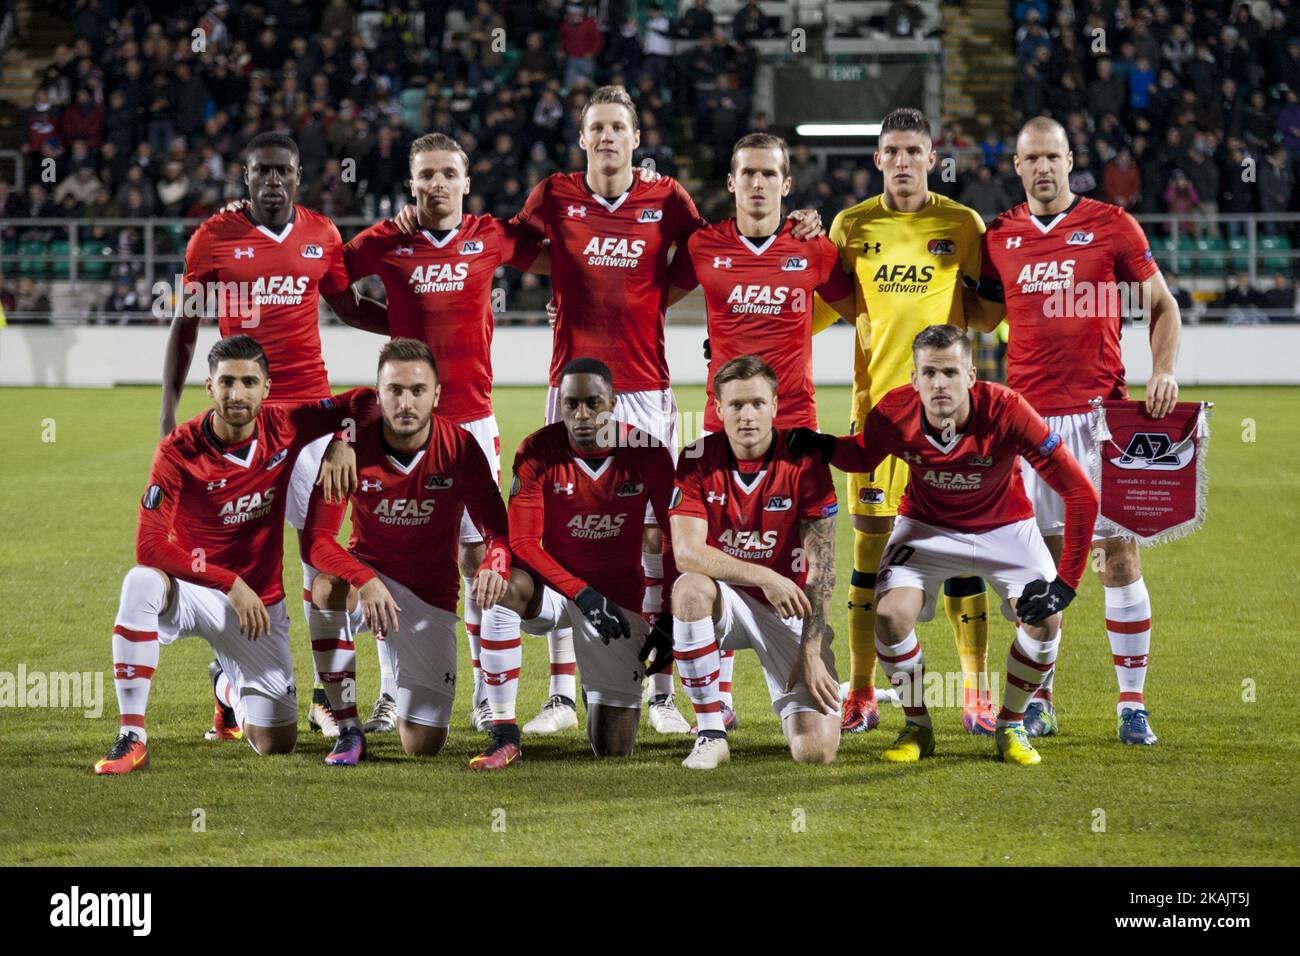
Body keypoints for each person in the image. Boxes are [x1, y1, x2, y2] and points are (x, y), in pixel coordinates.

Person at [402, 85, 822, 736]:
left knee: (658, 537)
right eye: (596, 128)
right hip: (570, 388)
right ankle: (562, 694)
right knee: (567, 532)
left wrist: (803, 224)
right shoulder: (552, 195)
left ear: (635, 139)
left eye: (617, 128)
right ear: (582, 138)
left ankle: (659, 691)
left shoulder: (667, 198)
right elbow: (507, 247)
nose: (606, 137)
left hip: (647, 390)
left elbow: (709, 248)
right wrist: (565, 280)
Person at [788, 324, 1098, 764]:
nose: (939, 384)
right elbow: (861, 454)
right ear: (913, 379)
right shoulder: (894, 412)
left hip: (1005, 528)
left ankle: (1010, 726)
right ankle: (918, 728)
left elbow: (1081, 493)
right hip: (926, 526)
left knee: (1048, 620)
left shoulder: (1008, 409)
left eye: (950, 372)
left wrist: (1066, 584)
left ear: (971, 374)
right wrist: (824, 446)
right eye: (929, 373)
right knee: (890, 616)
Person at [164, 132, 388, 740]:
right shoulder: (213, 237)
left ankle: (324, 697)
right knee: (243, 560)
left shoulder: (323, 234)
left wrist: (415, 328)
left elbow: (348, 306)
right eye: (261, 170)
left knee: (326, 557)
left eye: (282, 171)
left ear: (298, 176)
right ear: (244, 174)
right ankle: (231, 680)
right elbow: (186, 327)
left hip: (314, 420)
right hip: (245, 424)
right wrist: (169, 415)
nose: (272, 180)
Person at [971, 116, 1183, 745]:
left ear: (1070, 161)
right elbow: (973, 313)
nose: (1042, 169)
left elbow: (1163, 304)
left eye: (1052, 158)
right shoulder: (999, 237)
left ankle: (1131, 706)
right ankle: (1039, 701)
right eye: (1030, 159)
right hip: (1026, 427)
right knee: (1031, 570)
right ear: (1016, 165)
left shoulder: (1113, 226)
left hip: (1100, 421)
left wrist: (1163, 371)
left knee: (1116, 559)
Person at [93, 336, 379, 774]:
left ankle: (226, 688)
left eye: (249, 382)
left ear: (267, 388)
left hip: (259, 609)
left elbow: (365, 400)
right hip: (196, 593)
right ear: (209, 386)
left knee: (276, 742)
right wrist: (228, 581)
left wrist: (344, 441)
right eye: (226, 382)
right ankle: (132, 735)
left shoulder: (286, 424)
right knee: (140, 582)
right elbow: (148, 546)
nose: (237, 394)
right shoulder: (178, 450)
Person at [342, 132, 546, 735]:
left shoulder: (490, 236)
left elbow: (557, 249)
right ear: (412, 183)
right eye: (425, 174)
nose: (436, 184)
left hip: (473, 421)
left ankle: (489, 692)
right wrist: (395, 323)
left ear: (465, 179)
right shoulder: (388, 240)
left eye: (447, 173)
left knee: (481, 554)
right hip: (403, 423)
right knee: (392, 558)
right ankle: (389, 689)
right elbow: (333, 280)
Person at [810, 107, 999, 736]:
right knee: (868, 556)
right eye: (891, 151)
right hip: (876, 423)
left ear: (931, 158)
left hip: (949, 420)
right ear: (877, 159)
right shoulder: (852, 226)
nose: (902, 161)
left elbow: (989, 312)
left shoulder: (962, 225)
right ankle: (860, 690)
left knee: (961, 554)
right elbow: (826, 307)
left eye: (913, 151)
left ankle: (975, 691)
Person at [301, 339, 511, 765]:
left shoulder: (460, 447)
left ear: (436, 394)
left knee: (422, 744)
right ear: (378, 394)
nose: (405, 402)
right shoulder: (350, 449)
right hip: (369, 585)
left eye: (417, 390)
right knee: (325, 588)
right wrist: (364, 577)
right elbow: (316, 541)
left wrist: (494, 560)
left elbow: (498, 531)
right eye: (394, 390)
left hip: (429, 600)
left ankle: (405, 685)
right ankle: (346, 726)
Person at [471, 358, 678, 767]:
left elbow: (671, 541)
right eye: (571, 405)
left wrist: (668, 617)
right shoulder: (537, 450)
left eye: (592, 403)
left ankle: (599, 681)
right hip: (553, 591)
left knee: (612, 748)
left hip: (617, 604)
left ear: (613, 403)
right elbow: (524, 543)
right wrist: (581, 594)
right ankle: (504, 730)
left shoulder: (649, 454)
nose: (581, 415)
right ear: (560, 405)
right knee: (498, 586)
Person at [670, 356, 841, 770]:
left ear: (775, 407)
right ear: (718, 409)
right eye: (736, 405)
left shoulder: (804, 462)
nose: (747, 416)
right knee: (690, 588)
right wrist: (763, 575)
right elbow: (686, 553)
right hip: (726, 599)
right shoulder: (696, 457)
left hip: (789, 609)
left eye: (758, 404)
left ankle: (834, 689)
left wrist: (812, 651)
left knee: (814, 753)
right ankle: (711, 733)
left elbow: (824, 567)